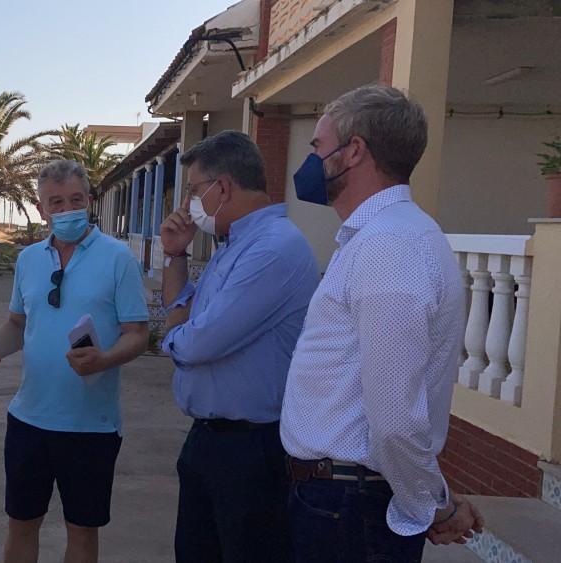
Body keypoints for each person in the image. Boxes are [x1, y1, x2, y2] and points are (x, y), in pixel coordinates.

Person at [280, 84, 484, 562]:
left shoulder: (390, 246)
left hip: (349, 508)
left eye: (318, 146)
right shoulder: (380, 239)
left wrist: (433, 505)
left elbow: (395, 417)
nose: (312, 161)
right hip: (342, 499)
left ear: (353, 152)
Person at [0, 160, 150, 563]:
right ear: (41, 209)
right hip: (28, 420)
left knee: (82, 531)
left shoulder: (118, 258)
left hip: (91, 426)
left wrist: (104, 359)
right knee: (21, 523)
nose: (67, 209)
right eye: (56, 203)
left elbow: (138, 333)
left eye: (75, 200)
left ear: (89, 201)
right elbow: (18, 323)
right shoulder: (29, 259)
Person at [158, 130, 318, 562]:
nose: (190, 204)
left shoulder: (273, 249)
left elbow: (195, 343)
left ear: (223, 187)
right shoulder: (235, 246)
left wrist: (172, 334)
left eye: (195, 191)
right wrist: (174, 255)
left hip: (250, 450)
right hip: (211, 442)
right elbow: (183, 310)